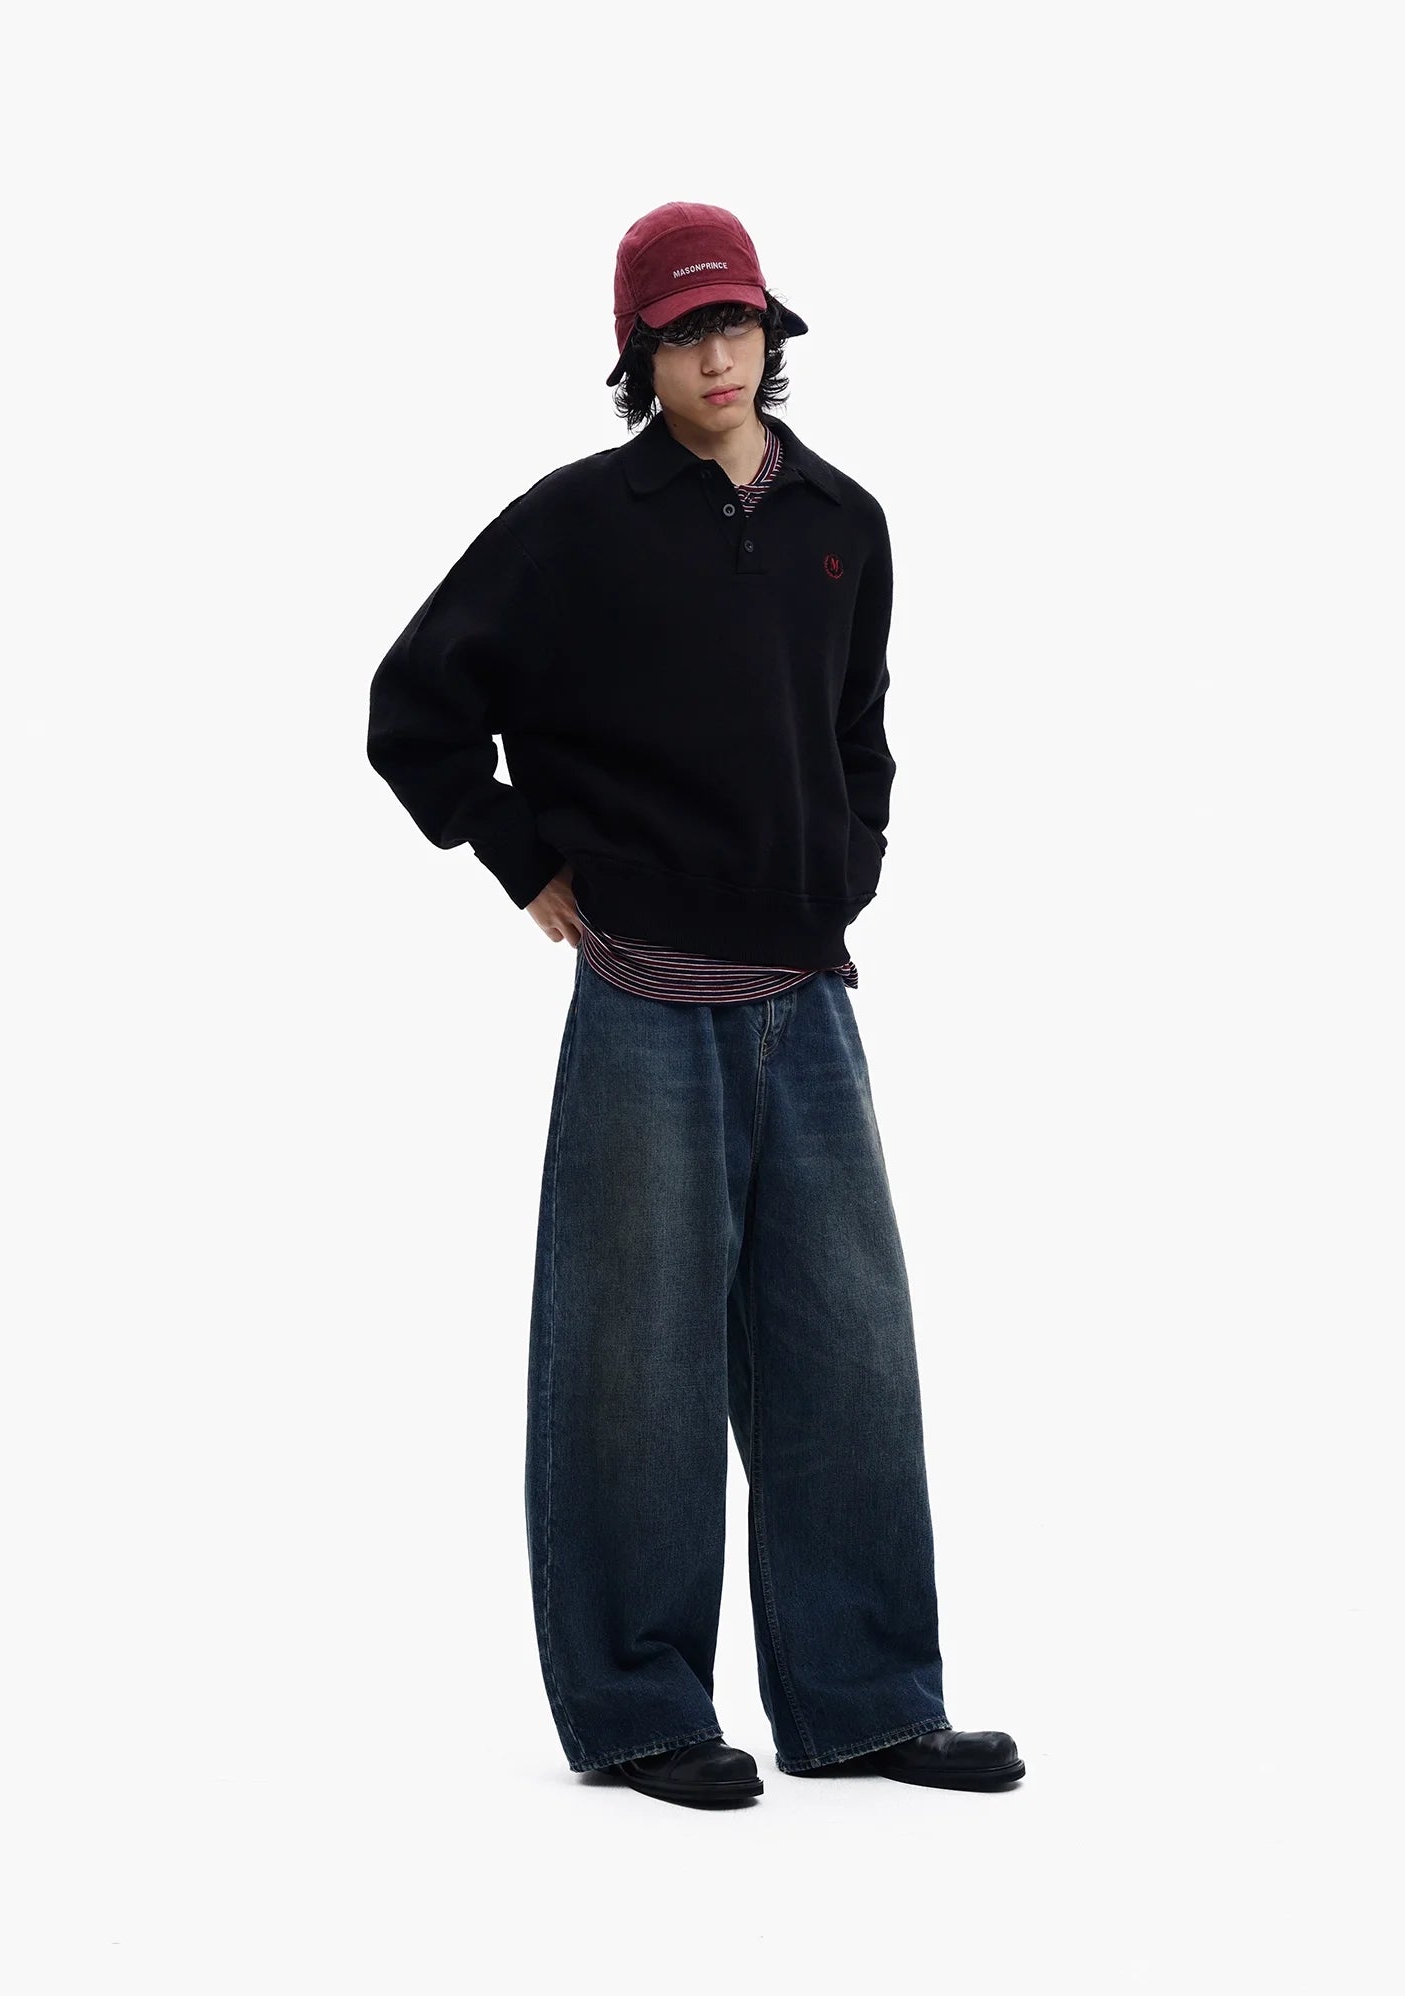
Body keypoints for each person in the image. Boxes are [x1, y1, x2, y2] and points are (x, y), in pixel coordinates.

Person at [367, 200, 1024, 1808]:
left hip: (809, 995)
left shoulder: (844, 523)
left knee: (847, 1355)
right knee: (631, 1363)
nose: (717, 356)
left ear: (770, 333)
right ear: (638, 355)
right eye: (682, 335)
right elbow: (412, 709)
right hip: (645, 997)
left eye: (736, 324)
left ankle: (865, 1702)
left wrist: (848, 869)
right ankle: (642, 1710)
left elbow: (859, 729)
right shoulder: (574, 526)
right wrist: (524, 861)